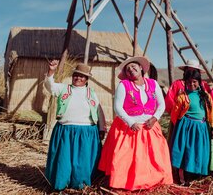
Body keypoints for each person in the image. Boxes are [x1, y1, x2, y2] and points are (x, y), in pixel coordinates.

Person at [98, 56, 173, 191]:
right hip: (130, 127)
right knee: (129, 157)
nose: (131, 70)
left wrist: (155, 118)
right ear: (126, 74)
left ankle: (152, 180)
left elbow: (161, 104)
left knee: (153, 155)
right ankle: (128, 181)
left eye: (133, 67)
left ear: (140, 68)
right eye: (128, 70)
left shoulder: (153, 84)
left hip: (150, 126)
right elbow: (118, 107)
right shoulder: (124, 85)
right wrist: (131, 122)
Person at [44, 60, 106, 191]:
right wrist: (51, 71)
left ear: (86, 79)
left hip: (87, 131)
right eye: (76, 75)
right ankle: (62, 183)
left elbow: (99, 110)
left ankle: (80, 185)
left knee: (83, 160)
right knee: (64, 159)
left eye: (82, 76)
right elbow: (49, 86)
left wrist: (102, 127)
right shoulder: (63, 88)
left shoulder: (91, 93)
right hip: (66, 130)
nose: (78, 78)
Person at [169, 69, 213, 184]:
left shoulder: (205, 96)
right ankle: (184, 177)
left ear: (199, 82)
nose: (192, 84)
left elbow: (211, 112)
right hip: (186, 128)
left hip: (201, 128)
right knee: (187, 151)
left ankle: (197, 176)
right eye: (189, 82)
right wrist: (179, 128)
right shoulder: (182, 96)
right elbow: (174, 114)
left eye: (194, 81)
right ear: (185, 82)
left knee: (199, 151)